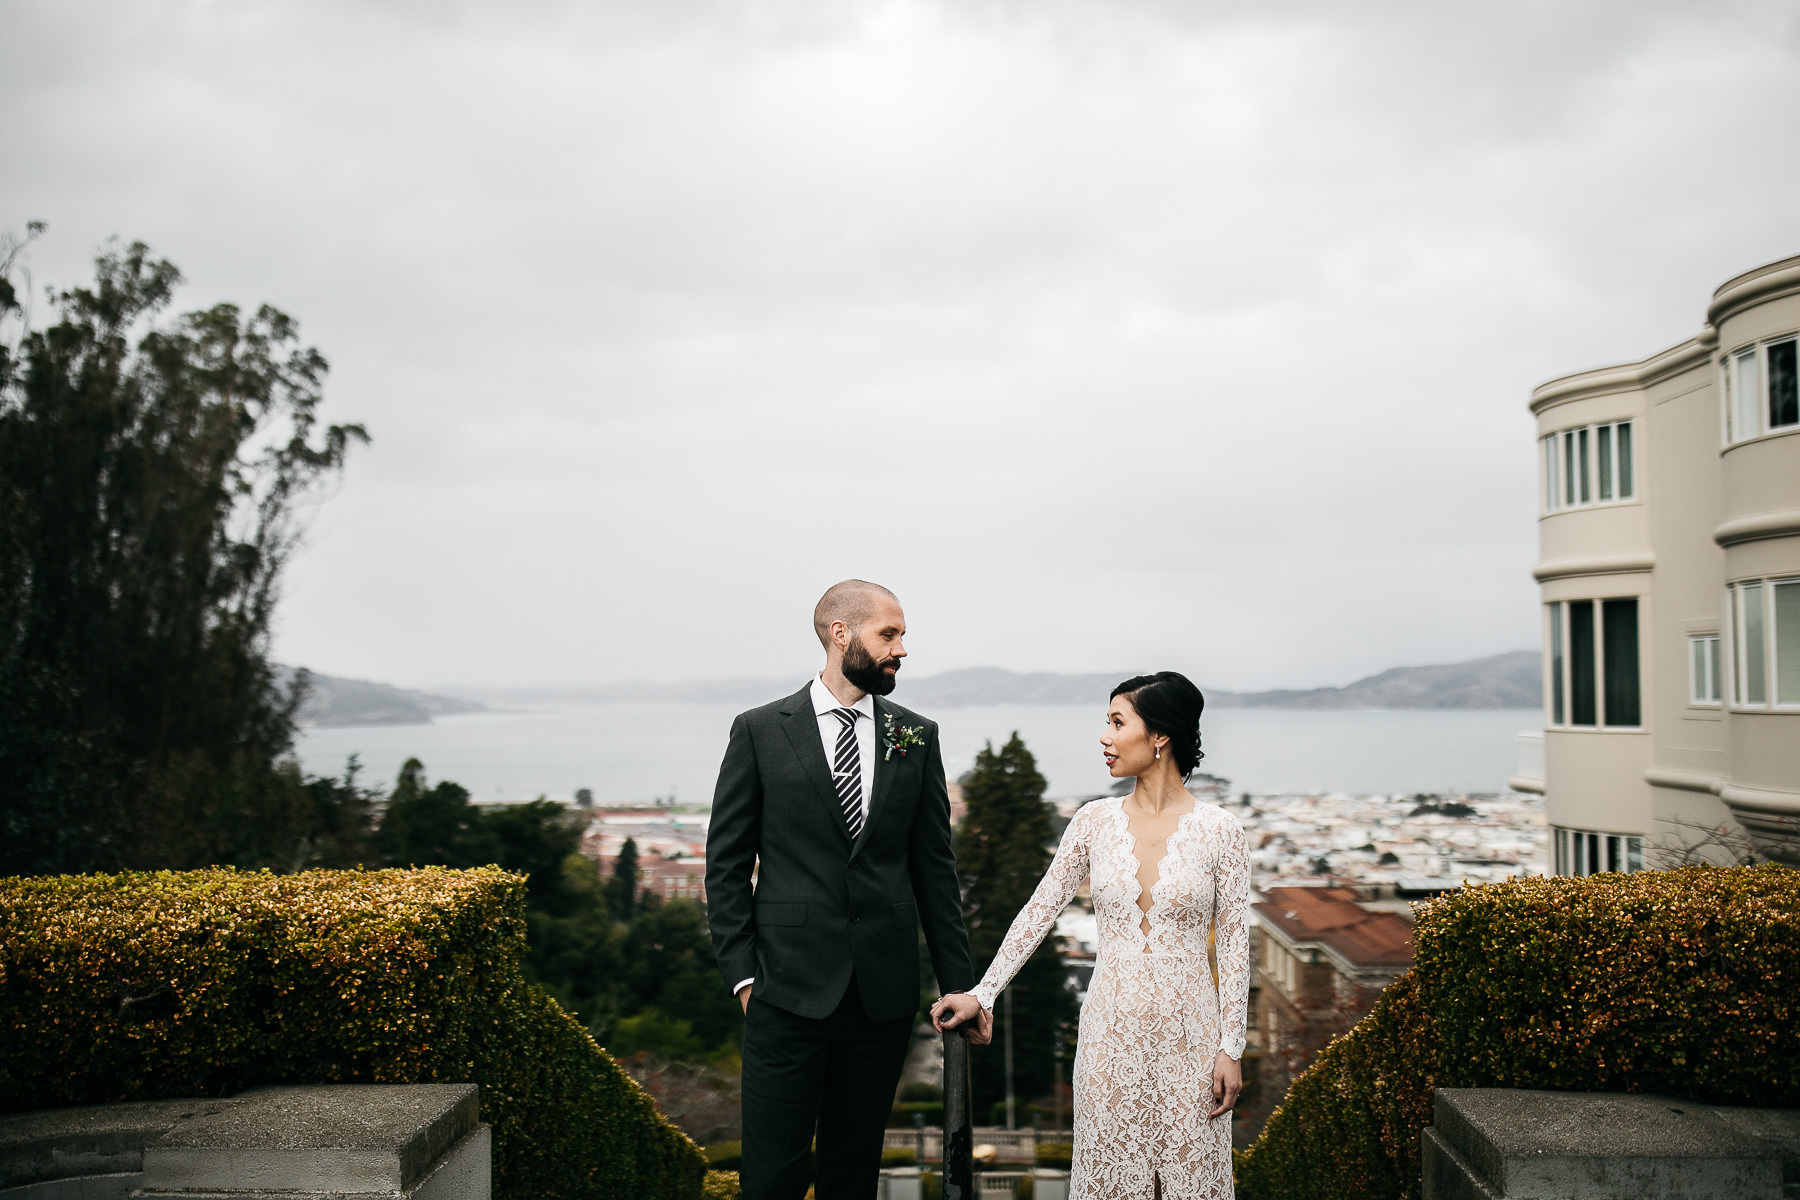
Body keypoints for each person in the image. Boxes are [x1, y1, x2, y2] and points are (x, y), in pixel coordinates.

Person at [707, 580, 978, 1200]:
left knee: (852, 1177)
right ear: (840, 635)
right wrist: (745, 978)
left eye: (901, 635)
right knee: (770, 1178)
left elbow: (935, 871)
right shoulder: (759, 732)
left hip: (879, 1002)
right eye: (890, 634)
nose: (901, 650)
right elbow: (725, 865)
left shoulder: (917, 734)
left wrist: (961, 986)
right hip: (783, 994)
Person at [932, 672, 1250, 1200]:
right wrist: (982, 993)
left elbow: (1237, 946)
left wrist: (1231, 1048)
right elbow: (1038, 913)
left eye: (1117, 722)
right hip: (1108, 1038)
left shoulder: (1221, 831)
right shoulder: (1092, 821)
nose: (1104, 737)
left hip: (1194, 1042)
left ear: (1160, 736)